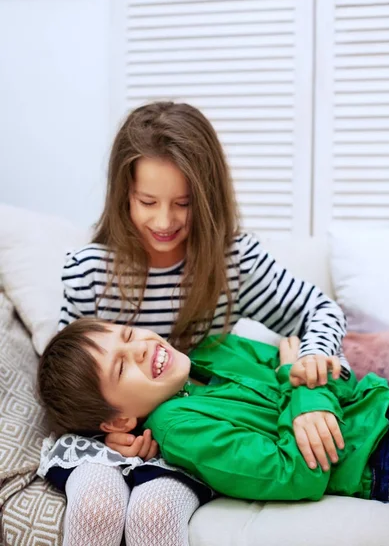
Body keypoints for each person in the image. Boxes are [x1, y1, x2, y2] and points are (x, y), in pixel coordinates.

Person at [46, 101, 350, 546]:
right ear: (122, 194)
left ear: (206, 199)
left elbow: (320, 310)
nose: (164, 221)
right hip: (110, 431)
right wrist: (108, 434)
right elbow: (68, 379)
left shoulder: (231, 262)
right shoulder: (91, 272)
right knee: (96, 502)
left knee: (155, 511)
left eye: (183, 204)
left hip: (195, 435)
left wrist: (313, 361)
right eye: (147, 202)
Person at [38, 319, 389, 505]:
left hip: (383, 404)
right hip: (377, 459)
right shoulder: (178, 428)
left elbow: (334, 376)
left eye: (129, 335)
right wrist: (298, 380)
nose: (141, 350)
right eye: (121, 369)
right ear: (119, 420)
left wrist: (305, 372)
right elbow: (299, 473)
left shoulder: (216, 346)